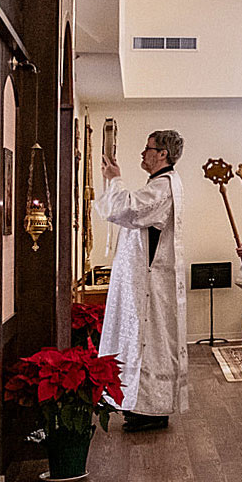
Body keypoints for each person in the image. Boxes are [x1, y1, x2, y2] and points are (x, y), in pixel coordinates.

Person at [96, 130, 187, 432]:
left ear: (163, 154)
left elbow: (130, 210)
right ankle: (138, 403)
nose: (142, 154)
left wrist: (115, 179)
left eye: (148, 149)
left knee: (148, 342)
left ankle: (151, 408)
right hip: (144, 282)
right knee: (139, 341)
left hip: (151, 286)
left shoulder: (163, 187)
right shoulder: (160, 184)